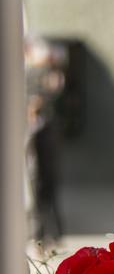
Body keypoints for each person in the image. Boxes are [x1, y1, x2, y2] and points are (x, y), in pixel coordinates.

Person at [26, 95, 62, 243]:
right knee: (49, 205)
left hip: (40, 175)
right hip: (45, 173)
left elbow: (38, 156)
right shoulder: (46, 128)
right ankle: (54, 234)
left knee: (40, 208)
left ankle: (41, 236)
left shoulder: (38, 130)